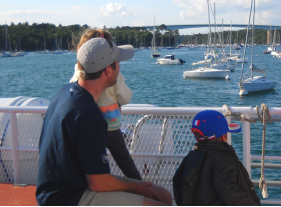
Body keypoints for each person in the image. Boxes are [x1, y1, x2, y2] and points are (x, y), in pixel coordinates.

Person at [36, 37, 172, 206]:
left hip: (57, 189)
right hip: (67, 198)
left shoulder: (64, 92)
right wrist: (137, 186)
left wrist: (137, 185)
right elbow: (98, 182)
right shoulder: (88, 113)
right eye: (118, 62)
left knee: (163, 194)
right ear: (108, 70)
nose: (120, 67)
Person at [70, 29, 141, 181]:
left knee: (94, 160)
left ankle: (99, 184)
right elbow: (125, 97)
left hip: (90, 127)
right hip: (112, 126)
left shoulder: (79, 73)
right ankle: (139, 185)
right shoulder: (114, 76)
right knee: (124, 159)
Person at [172, 110, 261, 206]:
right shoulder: (224, 159)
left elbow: (177, 182)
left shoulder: (190, 157)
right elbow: (229, 192)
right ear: (223, 137)